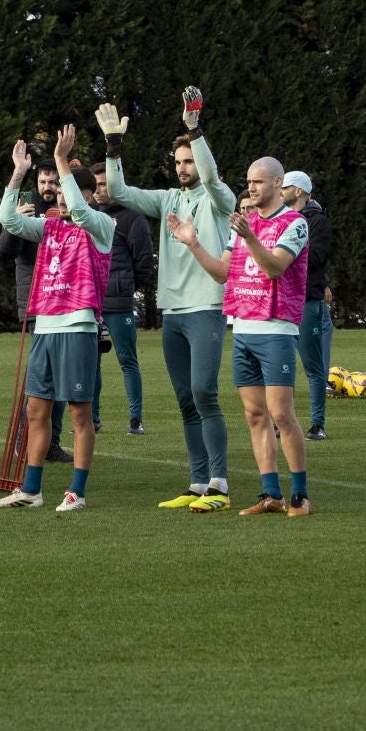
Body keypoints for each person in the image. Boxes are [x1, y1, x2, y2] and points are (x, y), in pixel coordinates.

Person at [99, 88, 240, 508]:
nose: (182, 168)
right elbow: (120, 192)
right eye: (177, 162)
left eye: (188, 161)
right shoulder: (169, 199)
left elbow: (213, 178)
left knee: (204, 392)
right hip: (173, 311)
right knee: (184, 398)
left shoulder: (219, 199)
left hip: (206, 308)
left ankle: (220, 483)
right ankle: (198, 483)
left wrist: (194, 129)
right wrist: (113, 145)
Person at [171, 156, 312, 515]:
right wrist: (193, 243)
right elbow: (222, 273)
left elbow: (275, 268)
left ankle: (299, 495)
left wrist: (249, 237)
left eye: (259, 182)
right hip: (244, 328)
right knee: (254, 415)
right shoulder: (242, 226)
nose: (251, 187)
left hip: (276, 329)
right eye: (249, 181)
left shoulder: (295, 224)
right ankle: (270, 494)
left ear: (278, 183)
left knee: (282, 414)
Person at [0, 127, 115, 512]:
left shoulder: (101, 227)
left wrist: (62, 162)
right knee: (36, 411)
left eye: (66, 190)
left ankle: (76, 491)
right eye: (58, 191)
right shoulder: (49, 227)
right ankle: (31, 489)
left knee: (79, 414)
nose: (60, 198)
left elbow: (79, 210)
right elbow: (8, 220)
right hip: (45, 326)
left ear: (90, 195)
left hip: (78, 328)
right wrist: (18, 173)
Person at [0, 162, 73, 461]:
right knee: (39, 375)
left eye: (54, 181)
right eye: (43, 181)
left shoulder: (69, 210)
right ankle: (23, 439)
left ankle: (50, 442)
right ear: (36, 182)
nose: (48, 187)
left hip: (65, 299)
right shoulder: (25, 204)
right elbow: (4, 252)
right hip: (35, 300)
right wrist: (15, 223)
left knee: (61, 377)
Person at [94, 161, 156, 435]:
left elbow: (144, 263)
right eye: (94, 185)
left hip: (118, 304)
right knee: (90, 363)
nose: (98, 190)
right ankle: (91, 419)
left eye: (104, 184)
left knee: (127, 360)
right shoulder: (89, 215)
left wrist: (125, 287)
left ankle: (135, 420)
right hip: (91, 302)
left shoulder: (133, 217)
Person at [282, 170, 333, 440]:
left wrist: (283, 255)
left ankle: (317, 424)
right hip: (284, 300)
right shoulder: (283, 217)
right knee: (282, 365)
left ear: (299, 191)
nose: (281, 191)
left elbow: (315, 259)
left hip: (307, 301)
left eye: (286, 187)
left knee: (313, 367)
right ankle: (283, 421)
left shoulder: (318, 222)